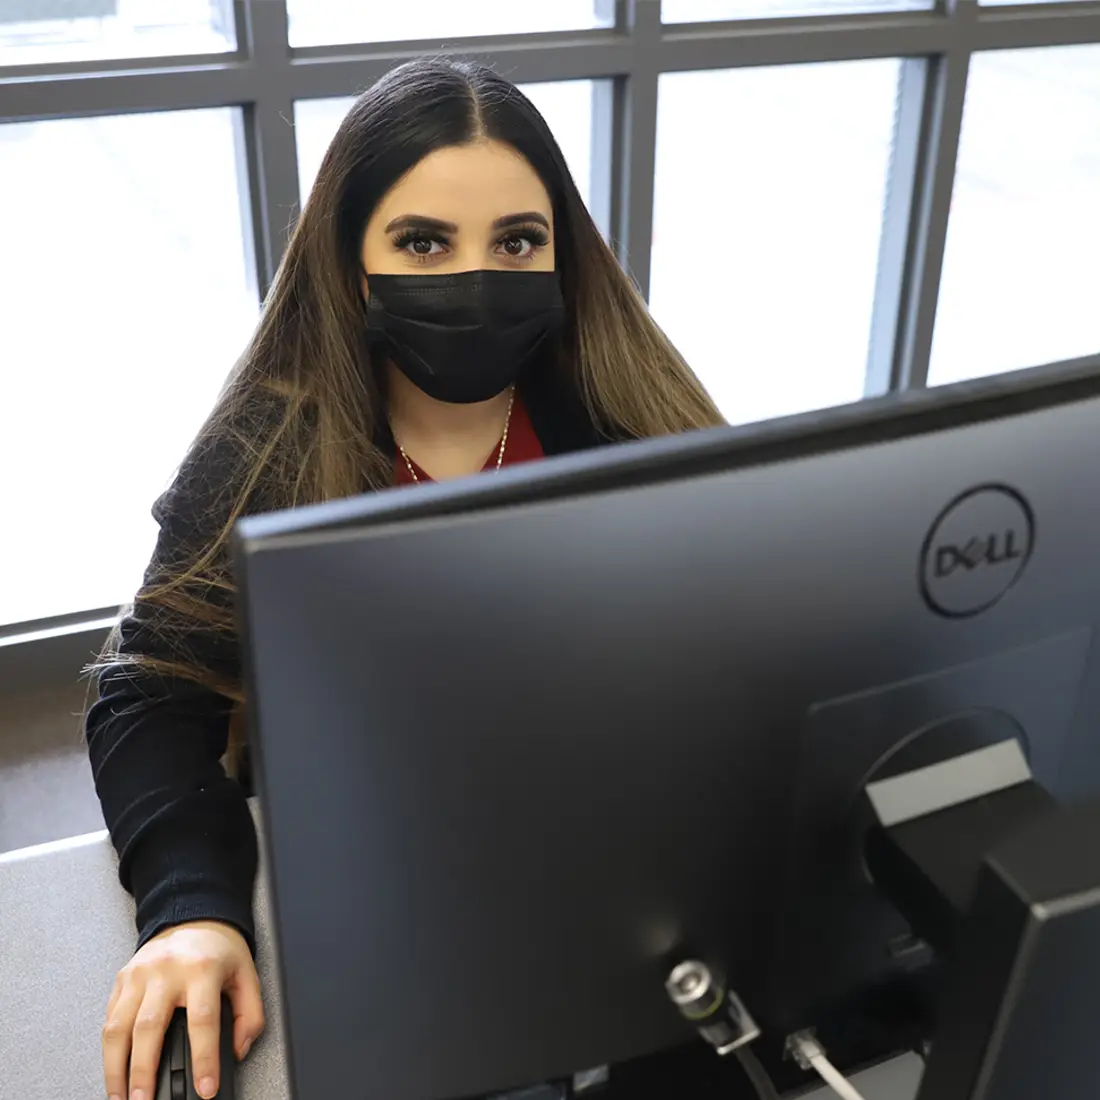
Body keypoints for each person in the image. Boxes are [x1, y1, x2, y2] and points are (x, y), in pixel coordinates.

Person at [85, 56, 724, 1100]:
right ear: (353, 264)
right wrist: (190, 906)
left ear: (560, 255)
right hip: (384, 890)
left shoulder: (623, 417)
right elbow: (147, 691)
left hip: (608, 867)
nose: (476, 276)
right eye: (424, 242)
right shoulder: (269, 447)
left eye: (516, 241)